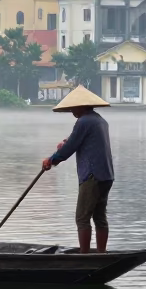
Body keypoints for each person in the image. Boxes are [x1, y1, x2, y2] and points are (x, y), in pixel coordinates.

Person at [41, 85, 114, 253]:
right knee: (100, 218)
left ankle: (84, 256)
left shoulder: (84, 121)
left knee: (82, 218)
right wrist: (66, 143)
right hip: (106, 175)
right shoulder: (100, 120)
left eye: (74, 107)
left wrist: (51, 160)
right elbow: (79, 140)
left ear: (82, 106)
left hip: (92, 175)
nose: (73, 110)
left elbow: (70, 148)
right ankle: (101, 254)